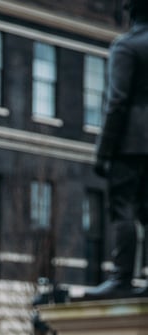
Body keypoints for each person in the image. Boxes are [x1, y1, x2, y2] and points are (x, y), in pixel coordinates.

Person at [84, 0, 148, 299]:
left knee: (123, 209)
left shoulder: (126, 46)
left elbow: (117, 101)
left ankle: (122, 277)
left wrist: (103, 150)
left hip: (131, 144)